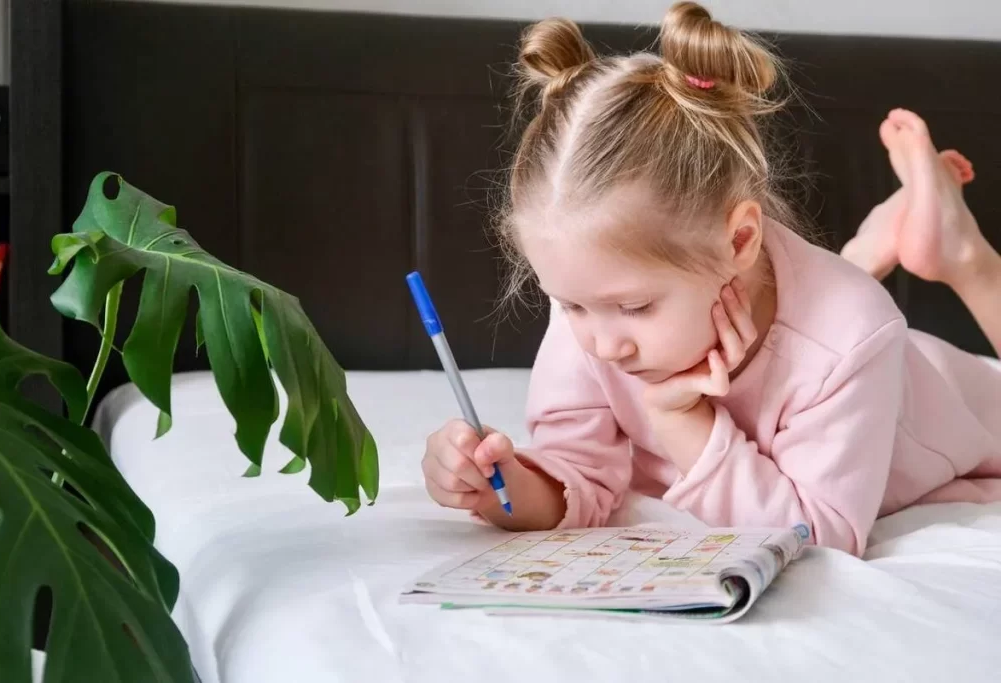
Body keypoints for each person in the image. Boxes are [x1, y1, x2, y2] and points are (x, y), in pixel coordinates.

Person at [420, 2, 1001, 556]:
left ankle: (966, 258)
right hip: (819, 319)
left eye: (637, 307)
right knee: (828, 300)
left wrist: (681, 423)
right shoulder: (597, 296)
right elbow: (579, 472)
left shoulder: (851, 338)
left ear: (741, 241)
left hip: (948, 399)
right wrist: (498, 486)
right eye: (570, 306)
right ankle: (867, 250)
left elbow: (819, 534)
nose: (601, 345)